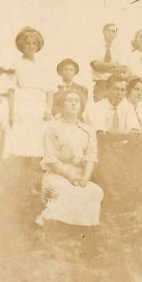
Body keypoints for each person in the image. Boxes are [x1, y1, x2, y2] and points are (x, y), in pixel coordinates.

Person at [36, 90, 103, 229]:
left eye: (77, 101)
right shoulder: (52, 127)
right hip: (57, 174)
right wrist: (70, 177)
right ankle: (57, 226)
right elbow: (51, 159)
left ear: (81, 106)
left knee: (94, 191)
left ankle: (81, 230)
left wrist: (85, 179)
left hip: (79, 176)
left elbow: (91, 157)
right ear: (61, 104)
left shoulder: (88, 130)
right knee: (63, 190)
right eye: (69, 100)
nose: (73, 103)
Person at [2, 26, 53, 158]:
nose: (31, 46)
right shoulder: (16, 63)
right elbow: (11, 90)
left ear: (38, 45)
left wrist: (48, 109)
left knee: (40, 141)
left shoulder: (43, 65)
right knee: (23, 141)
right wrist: (11, 112)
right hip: (23, 104)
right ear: (21, 45)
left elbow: (49, 91)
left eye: (34, 43)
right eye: (27, 43)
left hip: (39, 105)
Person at [90, 23, 130, 90]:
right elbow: (96, 66)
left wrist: (102, 67)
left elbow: (123, 69)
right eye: (108, 30)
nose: (111, 33)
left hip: (115, 83)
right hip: (98, 81)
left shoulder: (120, 49)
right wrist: (114, 65)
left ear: (116, 34)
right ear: (103, 32)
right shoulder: (95, 47)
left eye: (113, 31)